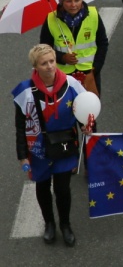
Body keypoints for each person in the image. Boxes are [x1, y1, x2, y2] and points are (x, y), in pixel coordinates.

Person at [14, 44, 94, 247]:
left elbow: (85, 111)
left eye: (51, 61)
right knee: (42, 186)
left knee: (62, 188)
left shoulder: (73, 84)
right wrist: (23, 155)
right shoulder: (24, 91)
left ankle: (65, 224)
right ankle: (49, 223)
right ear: (36, 66)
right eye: (44, 63)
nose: (50, 66)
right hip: (39, 147)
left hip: (65, 144)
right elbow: (20, 127)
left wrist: (87, 126)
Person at [39, 0, 108, 98]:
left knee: (89, 109)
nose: (73, 5)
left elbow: (103, 43)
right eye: (68, 1)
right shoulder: (51, 19)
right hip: (62, 74)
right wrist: (62, 57)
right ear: (62, 2)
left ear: (82, 0)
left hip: (89, 72)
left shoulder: (94, 15)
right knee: (65, 109)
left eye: (77, 0)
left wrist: (96, 68)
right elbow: (44, 49)